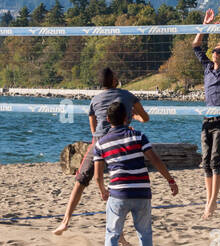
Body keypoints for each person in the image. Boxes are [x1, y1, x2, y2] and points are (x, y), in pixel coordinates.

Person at [53, 68, 149, 235]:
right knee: (122, 184)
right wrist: (134, 117)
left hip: (99, 141)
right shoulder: (127, 95)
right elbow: (146, 117)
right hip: (120, 140)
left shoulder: (95, 99)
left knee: (80, 181)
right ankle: (120, 232)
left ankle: (65, 221)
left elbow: (92, 124)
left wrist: (96, 139)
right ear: (113, 81)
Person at [93, 101, 178, 246]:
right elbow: (155, 160)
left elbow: (98, 176)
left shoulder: (100, 144)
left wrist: (102, 190)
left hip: (118, 194)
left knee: (112, 234)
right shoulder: (138, 136)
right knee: (145, 232)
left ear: (108, 120)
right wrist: (170, 180)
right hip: (141, 192)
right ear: (127, 118)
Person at [193, 9, 220, 219]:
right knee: (206, 161)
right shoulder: (207, 68)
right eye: (214, 51)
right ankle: (209, 200)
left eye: (219, 51)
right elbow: (195, 45)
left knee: (216, 160)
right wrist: (205, 24)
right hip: (206, 118)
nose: (215, 53)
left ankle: (212, 202)